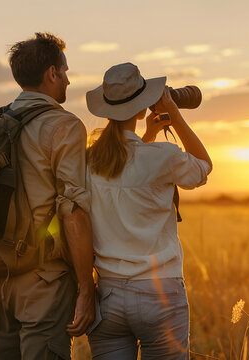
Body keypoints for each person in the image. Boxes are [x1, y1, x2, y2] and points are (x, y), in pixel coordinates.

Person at [0, 32, 95, 359]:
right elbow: (72, 211)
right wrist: (86, 288)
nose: (69, 80)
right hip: (43, 280)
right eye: (65, 71)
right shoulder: (65, 125)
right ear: (52, 74)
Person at [84, 62, 212, 359]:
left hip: (109, 298)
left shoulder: (89, 161)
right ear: (142, 108)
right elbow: (203, 168)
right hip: (160, 295)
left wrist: (149, 134)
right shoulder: (161, 157)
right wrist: (175, 116)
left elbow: (124, 169)